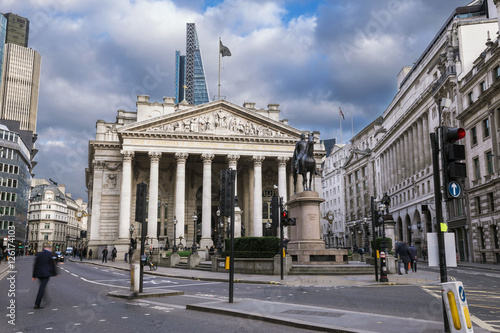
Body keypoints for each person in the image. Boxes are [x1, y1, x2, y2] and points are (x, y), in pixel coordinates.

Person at [32, 244, 57, 309]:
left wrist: (34, 275)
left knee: (42, 287)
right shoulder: (50, 254)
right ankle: (37, 303)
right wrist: (54, 273)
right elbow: (52, 264)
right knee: (42, 288)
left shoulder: (39, 254)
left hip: (39, 274)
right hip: (46, 274)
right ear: (49, 248)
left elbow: (35, 265)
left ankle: (45, 299)